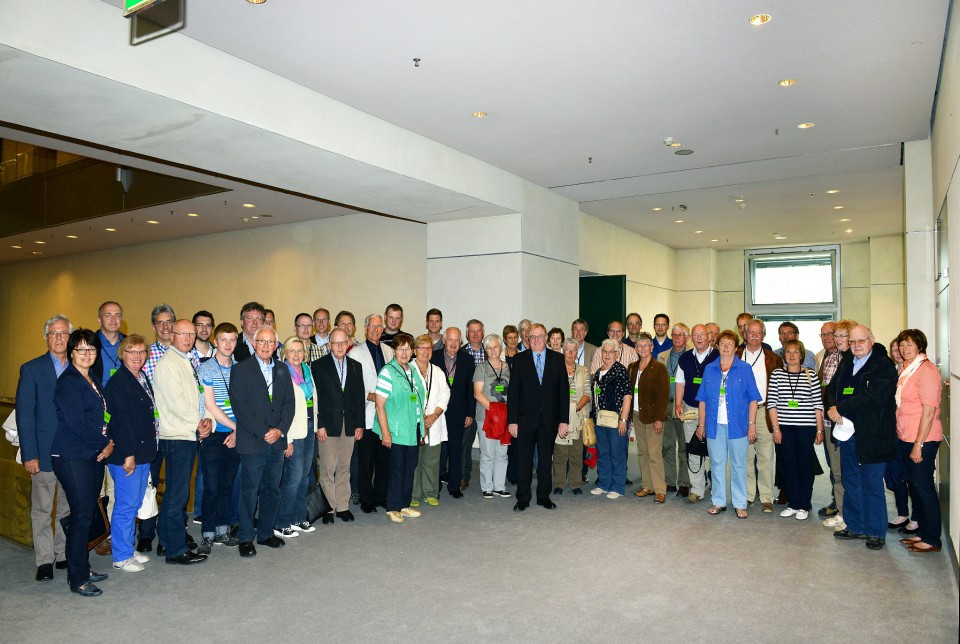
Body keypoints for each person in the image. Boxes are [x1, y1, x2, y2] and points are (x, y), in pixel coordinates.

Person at [51, 329, 114, 596]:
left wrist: (107, 441)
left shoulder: (93, 380)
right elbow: (78, 423)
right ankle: (77, 578)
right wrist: (105, 444)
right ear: (71, 352)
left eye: (91, 350)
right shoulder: (68, 382)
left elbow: (104, 418)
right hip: (72, 456)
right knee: (81, 517)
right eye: (81, 350)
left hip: (92, 455)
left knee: (87, 514)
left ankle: (83, 567)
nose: (87, 354)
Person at [827, 325, 898, 551]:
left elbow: (874, 396)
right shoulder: (847, 361)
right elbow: (831, 388)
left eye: (861, 341)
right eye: (853, 341)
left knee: (872, 484)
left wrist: (842, 407)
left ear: (871, 340)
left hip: (874, 435)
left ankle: (876, 531)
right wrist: (831, 406)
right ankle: (856, 525)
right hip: (848, 434)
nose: (857, 345)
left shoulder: (883, 365)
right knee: (851, 481)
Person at [231, 326, 296, 557]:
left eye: (271, 342)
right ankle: (246, 536)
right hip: (252, 441)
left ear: (276, 345)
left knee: (272, 489)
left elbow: (289, 404)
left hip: (277, 441)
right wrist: (263, 432)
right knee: (249, 490)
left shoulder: (282, 368)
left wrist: (279, 430)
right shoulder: (241, 369)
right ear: (254, 343)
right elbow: (240, 407)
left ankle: (266, 532)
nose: (266, 346)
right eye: (262, 342)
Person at [17, 315, 73, 582]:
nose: (59, 338)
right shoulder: (32, 369)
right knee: (41, 509)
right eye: (54, 334)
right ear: (46, 337)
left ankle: (61, 554)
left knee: (66, 507)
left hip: (72, 453)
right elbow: (25, 415)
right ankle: (44, 560)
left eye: (64, 333)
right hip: (43, 453)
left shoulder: (80, 366)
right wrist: (30, 454)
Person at [153, 319, 211, 565]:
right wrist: (199, 421)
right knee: (177, 495)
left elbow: (196, 396)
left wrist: (205, 419)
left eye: (191, 334)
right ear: (172, 335)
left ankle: (167, 540)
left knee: (176, 493)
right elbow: (177, 402)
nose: (188, 338)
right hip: (177, 435)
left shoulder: (185, 360)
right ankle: (175, 550)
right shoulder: (168, 364)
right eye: (183, 333)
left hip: (187, 433)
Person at [103, 334, 157, 572]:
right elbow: (121, 422)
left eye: (141, 352)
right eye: (132, 352)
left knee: (134, 503)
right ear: (122, 354)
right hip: (128, 455)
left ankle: (127, 547)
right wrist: (128, 454)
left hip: (143, 451)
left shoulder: (141, 376)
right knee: (125, 505)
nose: (137, 356)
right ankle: (121, 556)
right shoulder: (118, 382)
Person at [696, 330, 761, 519]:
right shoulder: (710, 369)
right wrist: (701, 425)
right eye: (722, 343)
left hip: (738, 426)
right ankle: (718, 501)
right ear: (717, 346)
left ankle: (740, 503)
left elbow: (753, 399)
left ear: (736, 347)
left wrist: (752, 424)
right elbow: (702, 400)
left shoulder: (744, 369)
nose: (725, 347)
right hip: (714, 425)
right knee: (716, 464)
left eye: (730, 343)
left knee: (739, 465)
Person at [507, 323, 569, 511]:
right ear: (528, 340)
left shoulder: (558, 359)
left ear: (546, 338)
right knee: (524, 461)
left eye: (539, 336)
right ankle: (523, 498)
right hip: (525, 420)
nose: (535, 340)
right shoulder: (520, 359)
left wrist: (563, 420)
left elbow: (563, 393)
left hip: (549, 421)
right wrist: (512, 421)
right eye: (532, 337)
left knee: (544, 461)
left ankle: (544, 496)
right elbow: (513, 393)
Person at [894, 329, 944, 553]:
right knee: (915, 486)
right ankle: (923, 532)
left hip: (922, 438)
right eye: (902, 345)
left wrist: (918, 445)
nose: (904, 349)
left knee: (923, 488)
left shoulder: (927, 371)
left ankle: (932, 539)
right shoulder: (908, 369)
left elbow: (928, 412)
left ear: (920, 346)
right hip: (906, 435)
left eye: (909, 345)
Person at [313, 328, 366, 523]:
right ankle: (328, 508)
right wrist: (319, 425)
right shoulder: (318, 366)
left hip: (349, 424)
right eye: (335, 343)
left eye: (343, 342)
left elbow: (359, 397)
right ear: (329, 345)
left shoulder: (355, 366)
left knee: (344, 466)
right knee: (327, 467)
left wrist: (360, 424)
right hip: (328, 425)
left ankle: (342, 506)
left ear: (349, 342)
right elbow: (316, 398)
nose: (340, 346)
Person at [197, 322, 242, 552]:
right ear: (215, 341)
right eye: (223, 339)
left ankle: (223, 531)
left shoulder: (239, 369)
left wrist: (237, 432)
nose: (228, 344)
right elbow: (211, 406)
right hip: (214, 435)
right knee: (211, 486)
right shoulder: (206, 368)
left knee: (227, 484)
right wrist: (235, 427)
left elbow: (244, 405)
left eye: (232, 339)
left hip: (235, 436)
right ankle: (207, 533)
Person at [767, 339, 824, 521]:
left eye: (796, 351)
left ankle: (804, 505)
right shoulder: (777, 375)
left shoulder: (811, 375)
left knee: (805, 466)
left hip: (806, 427)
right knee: (789, 465)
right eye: (788, 351)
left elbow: (818, 404)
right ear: (784, 355)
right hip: (784, 427)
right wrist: (776, 428)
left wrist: (820, 430)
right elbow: (772, 403)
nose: (792, 355)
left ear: (802, 355)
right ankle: (793, 503)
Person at [373, 334, 426, 523]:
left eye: (408, 349)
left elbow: (418, 400)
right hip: (395, 431)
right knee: (396, 469)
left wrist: (422, 429)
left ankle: (404, 505)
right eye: (400, 349)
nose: (404, 353)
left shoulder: (412, 370)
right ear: (394, 351)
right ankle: (392, 507)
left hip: (412, 430)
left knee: (409, 467)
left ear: (412, 351)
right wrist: (385, 433)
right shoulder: (387, 372)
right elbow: (379, 406)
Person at [736, 318, 783, 513]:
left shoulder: (773, 358)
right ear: (744, 334)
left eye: (758, 332)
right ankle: (747, 495)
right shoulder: (736, 355)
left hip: (765, 411)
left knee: (765, 456)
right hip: (741, 411)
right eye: (751, 332)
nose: (754, 336)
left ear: (763, 335)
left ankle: (766, 497)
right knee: (744, 457)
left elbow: (780, 387)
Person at [274, 337, 318, 537]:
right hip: (293, 431)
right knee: (293, 478)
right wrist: (287, 438)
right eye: (292, 350)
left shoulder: (307, 370)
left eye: (300, 350)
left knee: (304, 477)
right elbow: (281, 409)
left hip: (309, 427)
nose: (296, 354)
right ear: (285, 353)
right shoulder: (282, 373)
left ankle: (299, 518)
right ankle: (282, 521)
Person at [351, 314, 395, 513]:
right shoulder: (356, 353)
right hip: (368, 414)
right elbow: (354, 387)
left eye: (379, 326)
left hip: (386, 415)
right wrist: (375, 397)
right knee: (366, 461)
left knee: (384, 459)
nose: (376, 330)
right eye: (372, 326)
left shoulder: (389, 351)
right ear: (365, 327)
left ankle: (381, 496)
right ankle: (366, 499)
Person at [674, 324, 719, 503]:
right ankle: (697, 489)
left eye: (702, 334)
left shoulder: (717, 356)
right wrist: (678, 403)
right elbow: (680, 383)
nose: (699, 338)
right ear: (691, 338)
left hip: (713, 411)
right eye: (696, 335)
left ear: (709, 337)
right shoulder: (685, 358)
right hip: (690, 409)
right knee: (692, 450)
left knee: (714, 451)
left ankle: (716, 487)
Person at [432, 327, 474, 499]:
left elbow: (470, 389)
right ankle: (434, 487)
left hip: (458, 412)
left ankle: (454, 486)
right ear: (444, 340)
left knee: (456, 450)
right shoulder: (433, 358)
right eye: (450, 339)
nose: (453, 343)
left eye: (457, 340)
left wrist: (470, 413)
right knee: (437, 451)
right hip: (437, 412)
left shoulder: (467, 360)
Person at [627, 333, 670, 503]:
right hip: (637, 415)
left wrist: (659, 419)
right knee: (642, 452)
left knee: (654, 453)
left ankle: (660, 489)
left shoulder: (659, 368)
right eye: (640, 346)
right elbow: (629, 393)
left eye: (647, 345)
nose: (643, 349)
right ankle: (647, 486)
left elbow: (663, 396)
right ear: (636, 349)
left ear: (652, 348)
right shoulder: (633, 367)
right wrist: (629, 416)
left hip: (653, 417)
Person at [821, 319, 856, 532]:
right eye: (837, 336)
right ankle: (842, 512)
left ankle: (850, 515)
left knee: (849, 472)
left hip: (849, 423)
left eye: (842, 336)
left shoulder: (857, 360)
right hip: (829, 421)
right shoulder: (832, 358)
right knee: (836, 471)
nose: (837, 339)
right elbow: (828, 390)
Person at [410, 335, 450, 507]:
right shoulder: (407, 370)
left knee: (432, 461)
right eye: (421, 348)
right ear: (414, 350)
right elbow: (406, 397)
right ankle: (413, 495)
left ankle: (430, 492)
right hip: (413, 423)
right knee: (413, 461)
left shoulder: (438, 371)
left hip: (434, 422)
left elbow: (445, 394)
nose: (425, 351)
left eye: (428, 348)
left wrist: (434, 415)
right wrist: (420, 417)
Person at [590, 338, 632, 499]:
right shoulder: (598, 372)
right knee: (603, 453)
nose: (607, 354)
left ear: (617, 353)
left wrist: (623, 420)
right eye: (604, 351)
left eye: (610, 352)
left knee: (617, 453)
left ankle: (617, 486)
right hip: (600, 420)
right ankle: (604, 484)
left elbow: (627, 397)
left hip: (616, 420)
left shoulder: (621, 371)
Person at [474, 333, 512, 498]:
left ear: (501, 348)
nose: (492, 350)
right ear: (486, 350)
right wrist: (495, 410)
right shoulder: (481, 368)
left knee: (502, 453)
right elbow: (477, 393)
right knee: (488, 452)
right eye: (489, 348)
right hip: (486, 416)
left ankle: (499, 486)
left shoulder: (508, 367)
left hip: (505, 417)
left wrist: (504, 413)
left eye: (495, 347)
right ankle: (487, 487)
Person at [553, 338, 591, 495]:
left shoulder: (583, 371)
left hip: (578, 416)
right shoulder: (555, 369)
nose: (570, 353)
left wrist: (577, 407)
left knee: (576, 453)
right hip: (560, 416)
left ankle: (576, 484)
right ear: (563, 350)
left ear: (577, 352)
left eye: (573, 350)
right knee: (560, 453)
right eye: (567, 349)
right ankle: (559, 484)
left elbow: (588, 393)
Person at [658, 322, 690, 496]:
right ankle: (670, 481)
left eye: (680, 335)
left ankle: (684, 482)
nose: (677, 338)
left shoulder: (690, 356)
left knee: (684, 446)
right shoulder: (662, 356)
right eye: (674, 335)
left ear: (687, 337)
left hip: (683, 405)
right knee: (667, 444)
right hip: (665, 404)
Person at [460, 319, 486, 490]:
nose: (475, 334)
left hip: (486, 406)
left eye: (478, 331)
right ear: (467, 334)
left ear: (482, 333)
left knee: (488, 442)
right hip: (468, 405)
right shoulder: (461, 354)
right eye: (472, 331)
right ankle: (463, 475)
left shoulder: (491, 352)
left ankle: (491, 476)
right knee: (465, 443)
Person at [92, 301, 125, 387]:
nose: (113, 320)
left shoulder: (129, 343)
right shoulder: (89, 343)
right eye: (108, 315)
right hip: (98, 398)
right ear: (99, 320)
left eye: (117, 315)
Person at [143, 304, 176, 381]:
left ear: (174, 325)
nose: (165, 327)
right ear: (154, 328)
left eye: (168, 321)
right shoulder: (146, 354)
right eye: (160, 323)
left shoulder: (188, 352)